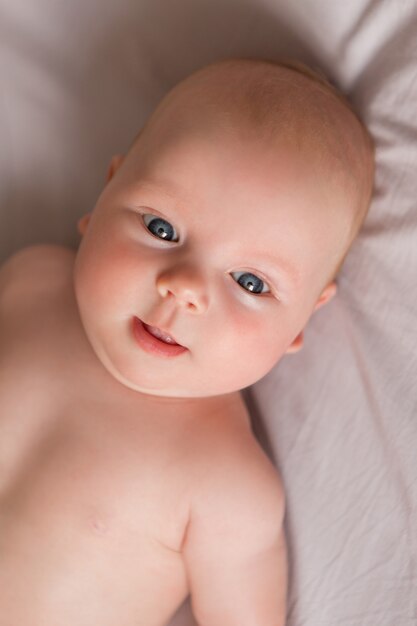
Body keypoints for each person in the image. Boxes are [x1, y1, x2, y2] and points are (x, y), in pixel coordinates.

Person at [0, 57, 374, 625]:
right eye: (160, 227)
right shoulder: (29, 282)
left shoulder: (227, 484)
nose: (185, 289)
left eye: (252, 283)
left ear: (300, 323)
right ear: (104, 198)